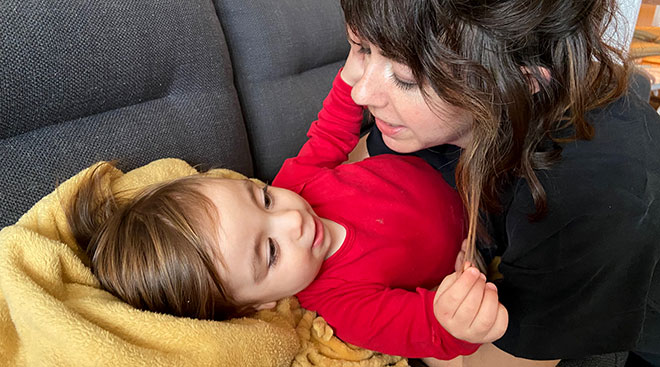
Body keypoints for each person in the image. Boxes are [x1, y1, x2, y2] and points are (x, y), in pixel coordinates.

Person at [66, 69, 508, 361]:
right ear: (260, 303)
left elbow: (332, 127)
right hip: (483, 232)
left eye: (263, 199)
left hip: (440, 162)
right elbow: (428, 330)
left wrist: (355, 75)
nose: (293, 219)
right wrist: (456, 318)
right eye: (270, 252)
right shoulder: (342, 305)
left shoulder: (295, 181)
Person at [338, 0, 660, 366]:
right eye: (363, 48)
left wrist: (393, 322)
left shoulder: (588, 195)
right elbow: (349, 171)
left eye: (406, 79)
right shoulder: (429, 118)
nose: (359, 93)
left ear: (520, 82)